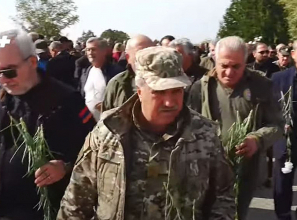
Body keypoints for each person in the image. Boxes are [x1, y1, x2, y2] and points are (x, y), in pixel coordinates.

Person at [57, 46, 235, 220]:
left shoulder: (204, 134)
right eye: (160, 92)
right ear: (140, 91)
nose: (169, 102)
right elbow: (77, 198)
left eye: (176, 91)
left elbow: (223, 196)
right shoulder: (108, 132)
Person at [0, 29, 95, 220]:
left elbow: (94, 151)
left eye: (9, 71)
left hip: (43, 210)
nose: (3, 80)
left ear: (32, 62)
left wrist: (65, 166)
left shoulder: (66, 100)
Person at [188, 36, 284, 220]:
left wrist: (257, 139)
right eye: (224, 66)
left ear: (246, 61)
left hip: (244, 171)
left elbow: (277, 124)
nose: (229, 72)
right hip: (207, 171)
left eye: (236, 66)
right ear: (215, 59)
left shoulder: (261, 85)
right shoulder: (200, 88)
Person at [272, 40, 297, 220]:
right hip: (286, 139)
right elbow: (270, 109)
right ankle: (283, 214)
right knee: (282, 182)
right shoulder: (279, 79)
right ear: (293, 54)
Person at [102, 35, 154, 111]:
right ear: (127, 57)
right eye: (140, 53)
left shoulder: (168, 81)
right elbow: (106, 118)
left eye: (151, 52)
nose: (147, 58)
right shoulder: (117, 84)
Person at [79, 37, 122, 120]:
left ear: (104, 51)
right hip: (89, 124)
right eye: (88, 50)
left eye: (93, 49)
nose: (90, 53)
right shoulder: (85, 72)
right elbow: (81, 97)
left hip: (110, 124)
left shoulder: (116, 72)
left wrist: (107, 107)